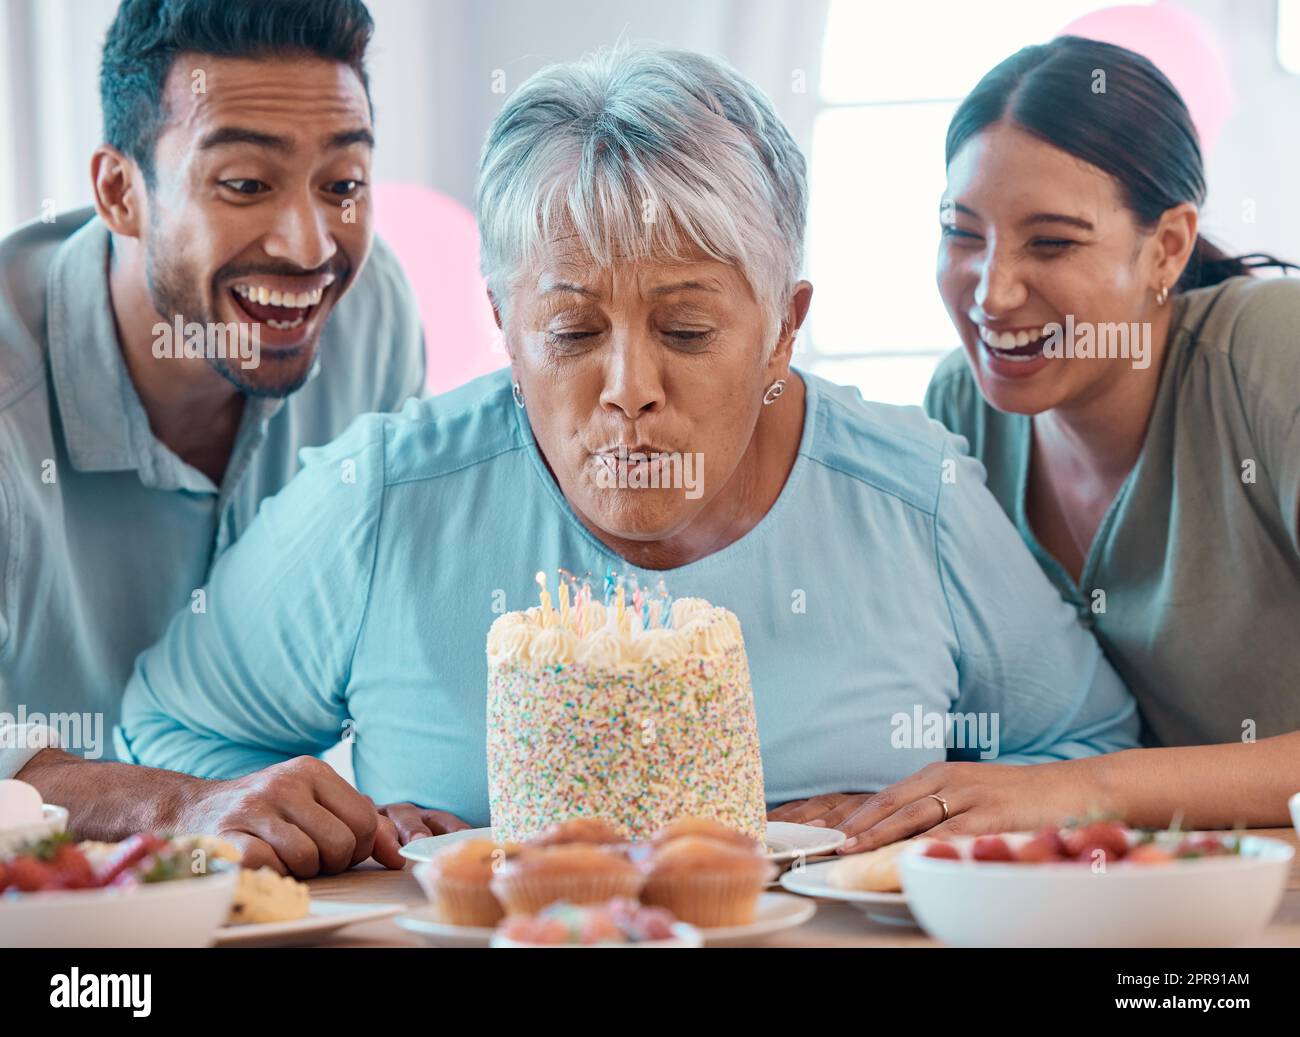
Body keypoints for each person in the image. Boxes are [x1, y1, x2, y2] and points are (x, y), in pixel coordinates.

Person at [118, 46, 1140, 876]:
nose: (627, 387)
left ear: (782, 330)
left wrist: (950, 813)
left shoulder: (912, 494)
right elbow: (166, 735)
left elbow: (1090, 747)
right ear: (504, 330)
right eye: (568, 332)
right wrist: (312, 821)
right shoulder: (382, 496)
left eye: (687, 329)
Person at [788, 36, 1300, 851]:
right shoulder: (965, 407)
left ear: (1165, 247)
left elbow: (1058, 781)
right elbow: (982, 706)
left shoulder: (1274, 354)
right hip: (1132, 883)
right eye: (963, 233)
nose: (993, 291)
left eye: (1052, 242)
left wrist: (1073, 789)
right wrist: (887, 795)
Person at [1, 0, 428, 872]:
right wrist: (177, 803)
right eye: (245, 184)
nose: (311, 246)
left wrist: (392, 803)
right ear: (121, 193)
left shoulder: (371, 314)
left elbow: (381, 643)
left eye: (342, 185)